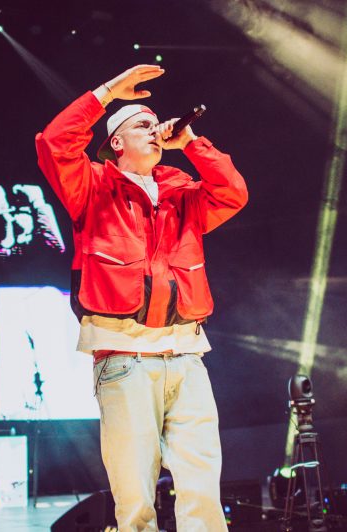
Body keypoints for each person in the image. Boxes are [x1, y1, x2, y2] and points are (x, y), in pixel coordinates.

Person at [36, 64, 248, 530]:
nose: (155, 131)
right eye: (142, 126)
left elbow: (233, 193)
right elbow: (54, 143)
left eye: (156, 125)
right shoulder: (92, 187)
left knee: (202, 488)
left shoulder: (181, 193)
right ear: (116, 141)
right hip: (124, 356)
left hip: (187, 354)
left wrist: (190, 143)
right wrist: (109, 92)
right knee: (134, 497)